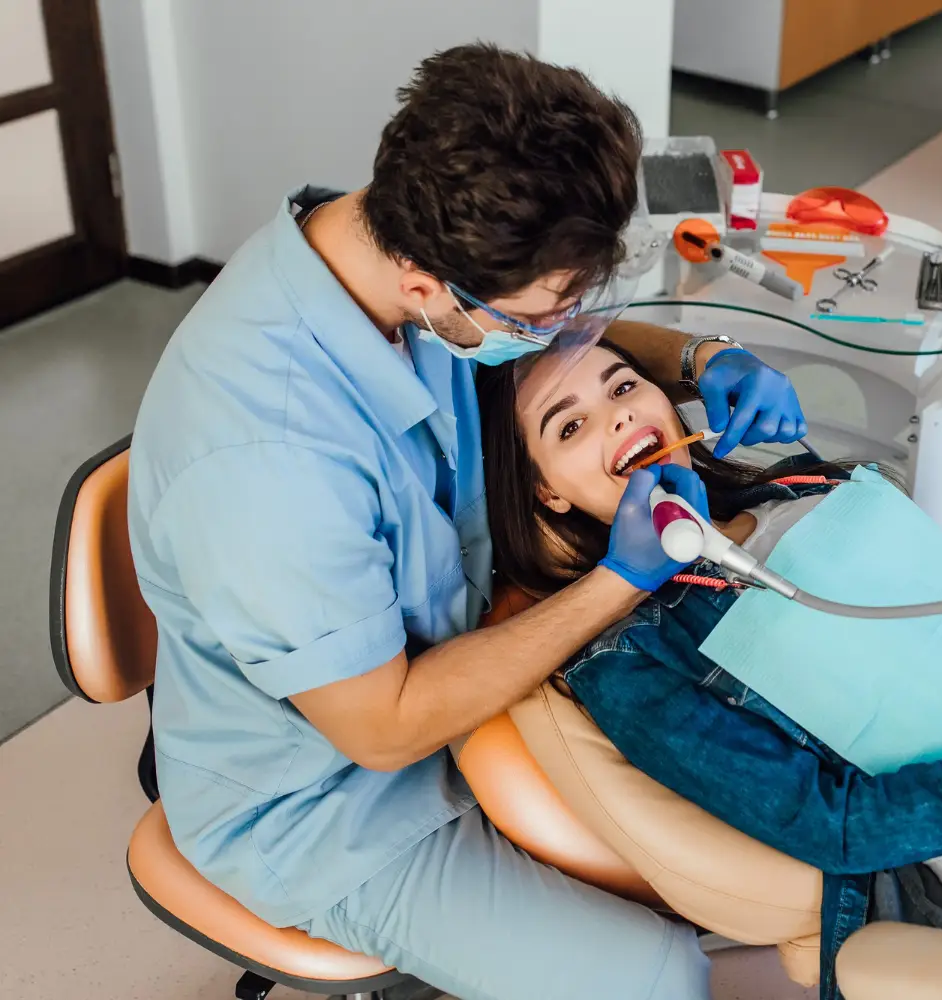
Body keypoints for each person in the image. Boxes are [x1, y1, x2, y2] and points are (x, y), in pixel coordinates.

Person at [127, 45, 809, 1000]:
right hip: (333, 803)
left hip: (468, 670)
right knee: (656, 975)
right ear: (428, 288)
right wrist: (624, 578)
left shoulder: (390, 241)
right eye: (546, 314)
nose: (576, 331)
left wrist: (698, 359)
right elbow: (386, 727)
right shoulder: (267, 462)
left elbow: (566, 337)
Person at [478, 342, 942, 1000]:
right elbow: (827, 824)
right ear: (548, 494)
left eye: (622, 386)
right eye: (568, 426)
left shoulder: (797, 488)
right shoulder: (633, 659)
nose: (614, 416)